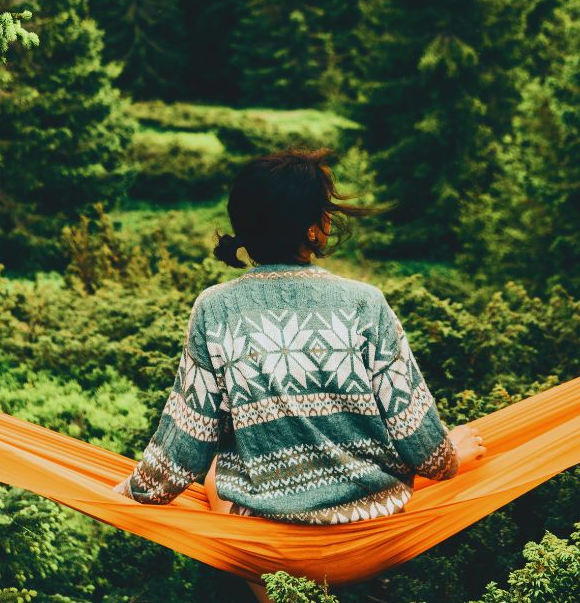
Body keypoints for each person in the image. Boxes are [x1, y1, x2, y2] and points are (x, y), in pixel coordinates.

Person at [113, 147, 485, 600]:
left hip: (270, 550)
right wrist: (453, 457)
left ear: (245, 227)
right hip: (369, 542)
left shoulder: (215, 308)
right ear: (315, 226)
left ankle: (279, 595)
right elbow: (424, 450)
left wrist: (126, 494)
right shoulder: (366, 304)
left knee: (213, 473)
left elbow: (185, 449)